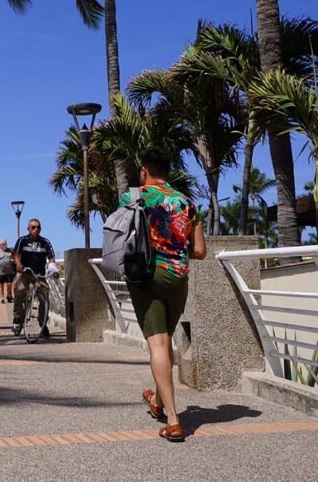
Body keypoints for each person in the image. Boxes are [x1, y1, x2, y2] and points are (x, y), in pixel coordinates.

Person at [124, 147, 206, 442]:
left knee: (158, 344)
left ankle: (173, 419)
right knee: (166, 340)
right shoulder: (189, 203)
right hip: (178, 278)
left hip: (146, 275)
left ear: (144, 170)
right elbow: (199, 251)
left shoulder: (135, 197)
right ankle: (157, 401)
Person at [12, 218, 55, 338]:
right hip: (26, 273)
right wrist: (19, 264)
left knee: (44, 296)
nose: (36, 229)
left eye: (38, 227)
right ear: (28, 229)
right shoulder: (23, 240)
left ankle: (42, 323)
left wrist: (52, 267)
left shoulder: (45, 242)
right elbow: (15, 254)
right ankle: (17, 318)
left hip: (39, 275)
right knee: (20, 290)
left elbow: (51, 257)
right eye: (33, 227)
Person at [0, 239, 16, 304]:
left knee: (9, 285)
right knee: (1, 285)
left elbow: (14, 257)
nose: (4, 245)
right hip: (0, 272)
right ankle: (2, 298)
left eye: (5, 244)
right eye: (3, 244)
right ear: (0, 245)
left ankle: (9, 295)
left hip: (9, 271)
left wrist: (15, 261)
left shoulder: (10, 250)